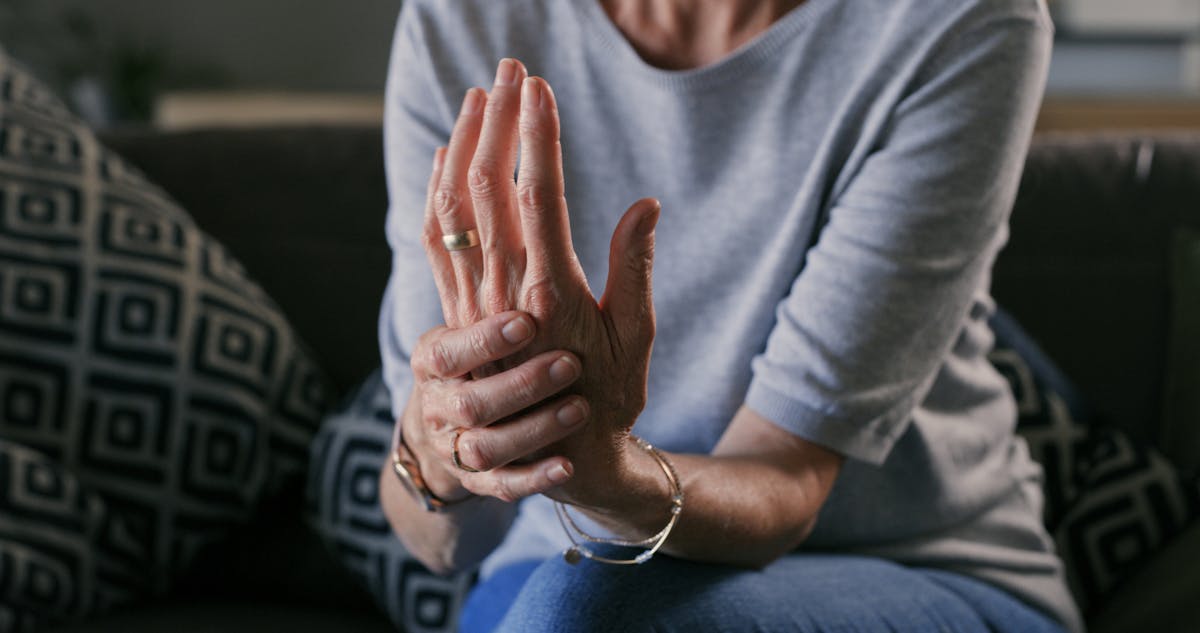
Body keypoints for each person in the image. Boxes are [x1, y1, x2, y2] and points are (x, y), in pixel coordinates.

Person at [376, 0, 1083, 631]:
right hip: (550, 569)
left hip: (906, 565)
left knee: (587, 612)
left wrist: (605, 470)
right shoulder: (460, 20)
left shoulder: (956, 20)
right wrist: (448, 444)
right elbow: (441, 541)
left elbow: (786, 480)